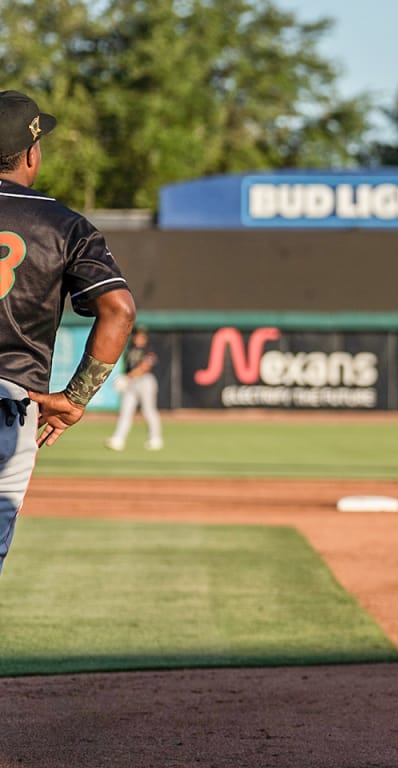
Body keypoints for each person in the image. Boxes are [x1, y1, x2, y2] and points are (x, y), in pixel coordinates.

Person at [0, 90, 136, 575]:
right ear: (32, 154)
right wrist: (75, 398)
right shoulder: (64, 225)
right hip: (12, 410)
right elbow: (118, 309)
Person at [106, 326, 163, 451]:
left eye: (141, 336)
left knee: (148, 410)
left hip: (145, 381)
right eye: (137, 335)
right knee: (125, 411)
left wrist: (127, 377)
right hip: (131, 382)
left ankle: (155, 438)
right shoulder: (130, 348)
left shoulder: (149, 349)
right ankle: (118, 439)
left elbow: (145, 366)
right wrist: (127, 378)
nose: (139, 338)